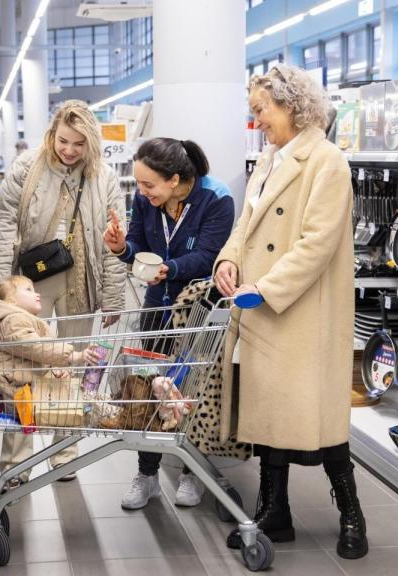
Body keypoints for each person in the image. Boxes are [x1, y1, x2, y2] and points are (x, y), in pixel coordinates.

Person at [212, 64, 367, 559]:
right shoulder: (268, 159)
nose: (256, 121)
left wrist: (266, 288)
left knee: (320, 419)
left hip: (301, 311)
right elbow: (246, 224)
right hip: (260, 306)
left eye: (262, 110)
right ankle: (274, 511)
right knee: (271, 414)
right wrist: (228, 260)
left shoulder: (328, 162)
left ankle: (352, 514)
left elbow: (317, 244)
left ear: (291, 106)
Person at [0, 100, 127, 478]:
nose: (69, 150)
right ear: (52, 134)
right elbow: (2, 229)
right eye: (63, 140)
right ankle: (16, 464)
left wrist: (113, 295)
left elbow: (115, 241)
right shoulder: (27, 168)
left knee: (73, 366)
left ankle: (65, 455)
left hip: (82, 280)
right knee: (21, 368)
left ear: (91, 143)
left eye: (79, 144)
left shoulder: (104, 177)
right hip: (32, 281)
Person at [102, 137, 234, 510]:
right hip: (156, 307)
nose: (142, 192)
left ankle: (192, 470)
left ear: (174, 180)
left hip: (197, 308)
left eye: (149, 184)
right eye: (139, 184)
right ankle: (147, 474)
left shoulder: (216, 198)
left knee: (191, 389)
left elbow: (209, 255)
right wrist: (120, 248)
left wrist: (170, 268)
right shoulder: (147, 200)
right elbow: (137, 247)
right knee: (148, 387)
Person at [0, 276, 99, 487]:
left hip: (29, 379)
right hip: (18, 385)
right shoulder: (13, 321)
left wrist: (56, 368)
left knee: (63, 406)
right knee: (21, 426)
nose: (37, 293)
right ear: (11, 301)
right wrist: (73, 355)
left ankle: (28, 467)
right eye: (28, 289)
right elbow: (34, 347)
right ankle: (15, 470)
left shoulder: (22, 319)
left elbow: (34, 355)